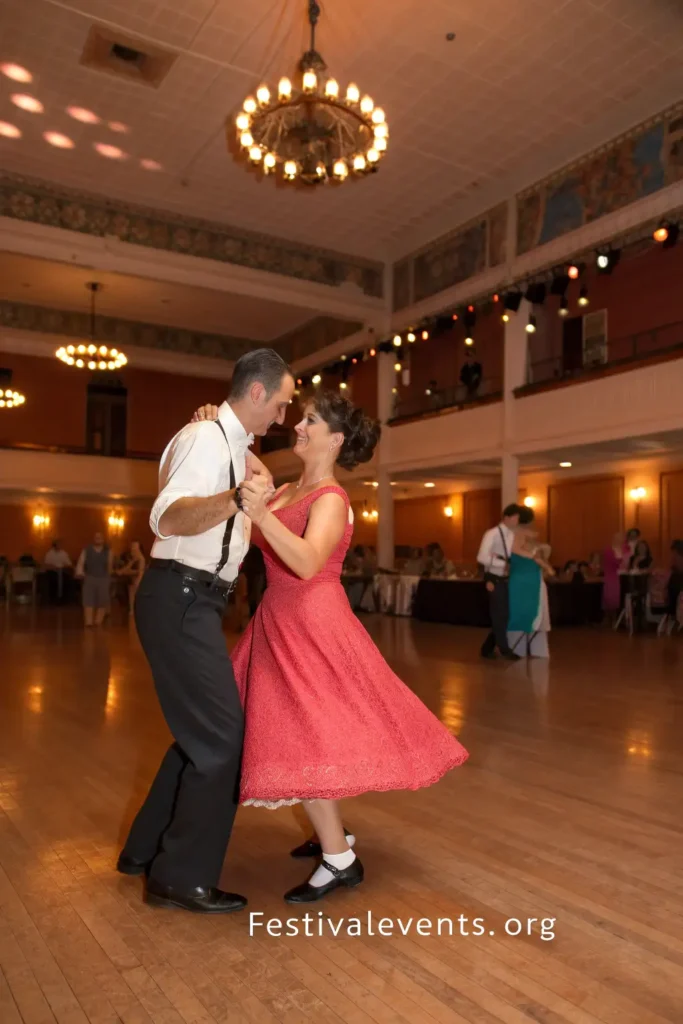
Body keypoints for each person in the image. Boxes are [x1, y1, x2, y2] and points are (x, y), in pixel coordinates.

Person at [193, 392, 468, 904]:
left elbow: (306, 561)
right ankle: (329, 836)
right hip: (279, 619)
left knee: (305, 729)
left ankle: (340, 859)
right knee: (293, 727)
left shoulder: (331, 499)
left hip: (313, 622)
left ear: (335, 440)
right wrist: (216, 422)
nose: (298, 426)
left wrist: (262, 512)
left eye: (311, 421)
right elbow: (240, 453)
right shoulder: (291, 487)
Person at [117, 348, 295, 915]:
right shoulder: (204, 441)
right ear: (259, 393)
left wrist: (254, 492)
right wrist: (235, 499)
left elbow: (255, 497)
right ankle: (180, 877)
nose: (285, 418)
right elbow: (168, 518)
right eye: (284, 404)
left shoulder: (235, 446)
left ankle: (145, 850)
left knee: (207, 736)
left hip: (195, 600)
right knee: (222, 742)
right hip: (180, 594)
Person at [477, 504, 522, 660]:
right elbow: (481, 557)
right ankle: (504, 648)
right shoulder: (492, 534)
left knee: (504, 614)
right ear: (506, 518)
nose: (517, 522)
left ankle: (487, 647)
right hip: (494, 579)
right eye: (515, 518)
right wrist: (502, 564)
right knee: (499, 614)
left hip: (507, 579)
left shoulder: (512, 535)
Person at [507, 512, 555, 657]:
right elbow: (546, 568)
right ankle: (523, 650)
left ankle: (517, 650)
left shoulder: (517, 541)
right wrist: (547, 569)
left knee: (524, 614)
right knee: (529, 614)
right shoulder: (523, 543)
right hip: (526, 583)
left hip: (522, 582)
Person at [75, 532, 113, 626]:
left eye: (100, 537)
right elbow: (81, 562)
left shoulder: (108, 551)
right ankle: (88, 622)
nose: (98, 538)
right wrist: (80, 573)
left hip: (103, 578)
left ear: (103, 539)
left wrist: (108, 579)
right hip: (89, 577)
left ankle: (98, 622)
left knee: (103, 601)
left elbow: (110, 566)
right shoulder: (87, 550)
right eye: (96, 537)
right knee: (88, 600)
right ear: (93, 539)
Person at [115, 539, 146, 614]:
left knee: (136, 604)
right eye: (132, 547)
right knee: (131, 605)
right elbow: (122, 572)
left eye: (135, 547)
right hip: (131, 583)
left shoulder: (141, 559)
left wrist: (130, 572)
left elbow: (140, 573)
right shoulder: (131, 558)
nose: (133, 549)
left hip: (137, 584)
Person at [43, 539, 72, 603]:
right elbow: (46, 565)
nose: (60, 545)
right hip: (52, 571)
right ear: (54, 545)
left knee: (66, 578)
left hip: (62, 570)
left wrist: (62, 567)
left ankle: (62, 598)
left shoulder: (64, 553)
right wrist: (53, 567)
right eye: (58, 544)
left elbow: (69, 564)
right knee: (54, 578)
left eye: (60, 544)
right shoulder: (49, 553)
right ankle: (55, 598)